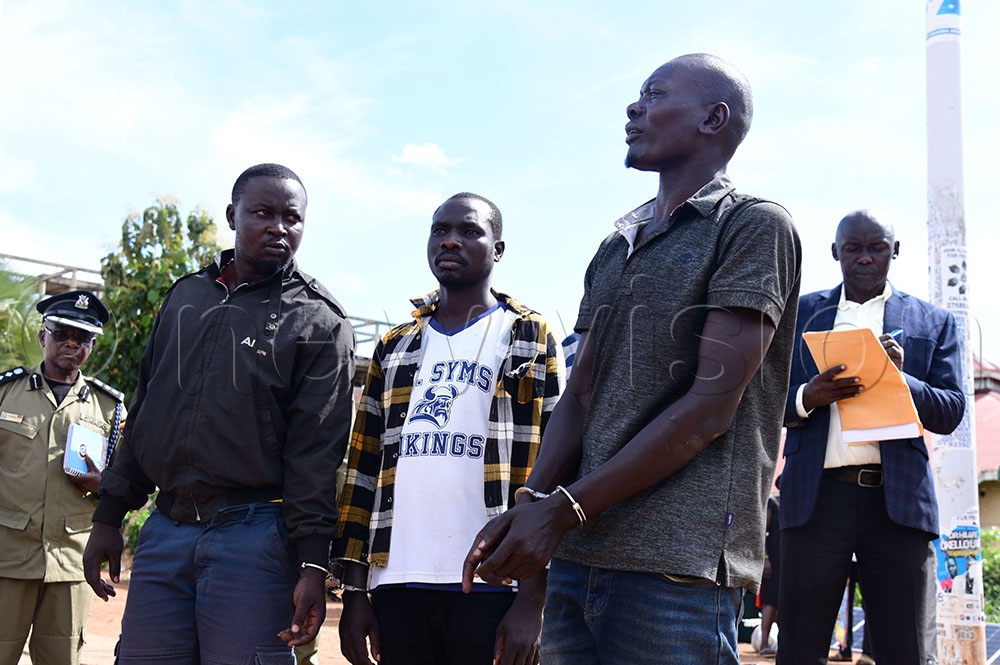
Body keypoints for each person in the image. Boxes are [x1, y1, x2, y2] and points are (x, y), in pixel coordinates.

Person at [462, 53, 802, 664]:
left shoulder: (753, 227)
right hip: (577, 557)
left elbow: (708, 410)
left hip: (677, 570)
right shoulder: (615, 246)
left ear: (713, 118)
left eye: (655, 94)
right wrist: (529, 509)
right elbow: (581, 397)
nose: (633, 106)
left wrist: (562, 510)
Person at [82, 163, 356, 664]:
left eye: (291, 218)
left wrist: (314, 563)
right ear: (233, 215)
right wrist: (109, 515)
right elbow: (146, 411)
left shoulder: (318, 320)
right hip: (166, 530)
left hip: (254, 538)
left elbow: (317, 454)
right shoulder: (186, 297)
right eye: (262, 212)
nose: (278, 227)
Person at [332, 192, 564, 665]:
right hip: (397, 579)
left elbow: (558, 461)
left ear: (498, 249)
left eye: (469, 231)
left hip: (495, 579)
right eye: (440, 231)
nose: (451, 241)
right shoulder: (395, 346)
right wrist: (355, 592)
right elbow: (362, 471)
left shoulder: (528, 334)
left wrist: (531, 600)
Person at [777, 210, 965, 665]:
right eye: (853, 248)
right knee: (800, 646)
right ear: (835, 252)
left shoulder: (933, 322)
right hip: (816, 502)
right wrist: (808, 395)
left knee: (906, 651)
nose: (865, 257)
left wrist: (902, 380)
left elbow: (952, 411)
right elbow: (760, 401)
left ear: (894, 251)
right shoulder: (800, 314)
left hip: (897, 505)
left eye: (876, 247)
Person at [0, 290, 124, 665]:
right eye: (62, 333)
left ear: (92, 345)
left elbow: (130, 479)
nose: (71, 343)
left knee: (62, 660)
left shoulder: (110, 408)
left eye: (82, 337)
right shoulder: (5, 393)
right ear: (43, 336)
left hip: (71, 562)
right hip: (6, 556)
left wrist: (105, 485)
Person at [757, 480, 781, 656]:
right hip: (773, 560)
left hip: (792, 562)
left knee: (789, 603)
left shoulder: (799, 505)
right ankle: (764, 643)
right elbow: (762, 532)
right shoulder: (773, 502)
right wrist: (765, 559)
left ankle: (785, 646)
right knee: (771, 601)